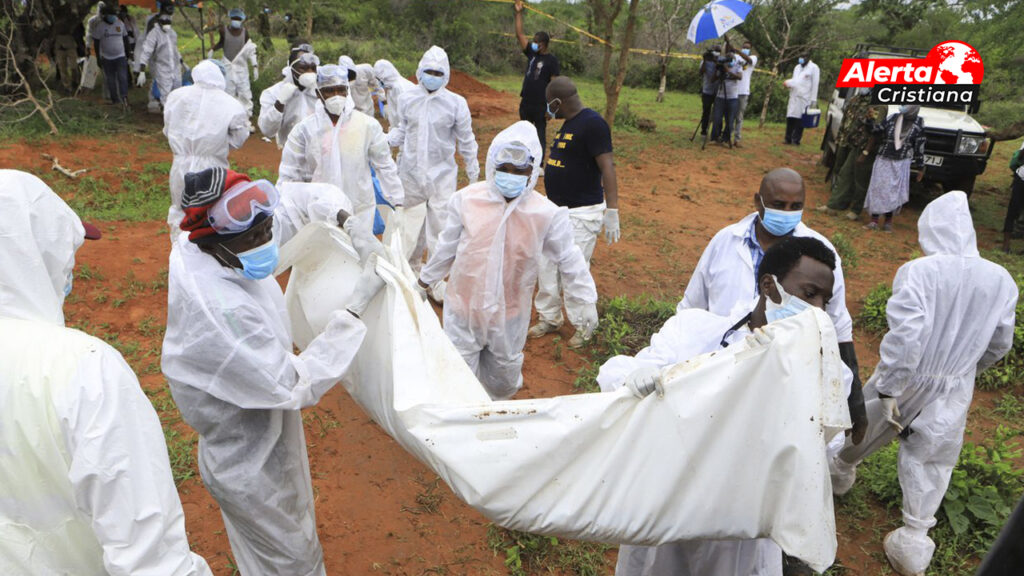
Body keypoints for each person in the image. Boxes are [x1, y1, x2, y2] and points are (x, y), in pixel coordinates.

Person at [162, 167, 388, 576]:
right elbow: (291, 383)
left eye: (267, 228)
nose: (267, 240)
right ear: (214, 242)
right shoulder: (220, 310)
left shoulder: (219, 245)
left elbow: (299, 199)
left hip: (264, 429)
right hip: (248, 458)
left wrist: (349, 223)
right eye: (255, 237)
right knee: (291, 561)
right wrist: (354, 310)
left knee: (269, 554)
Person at [0, 169, 213, 576]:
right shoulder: (82, 367)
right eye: (65, 251)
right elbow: (150, 558)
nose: (71, 268)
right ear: (35, 252)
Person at [599, 236, 852, 576]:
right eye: (809, 294)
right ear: (769, 285)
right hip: (668, 498)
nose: (818, 309)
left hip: (741, 521)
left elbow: (821, 446)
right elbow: (623, 374)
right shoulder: (696, 332)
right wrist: (634, 378)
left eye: (824, 300)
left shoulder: (827, 371)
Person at [830, 191, 1017, 576]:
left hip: (911, 374)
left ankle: (837, 474)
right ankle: (914, 540)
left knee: (865, 425)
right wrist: (966, 370)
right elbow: (1000, 343)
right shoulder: (1001, 279)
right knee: (933, 455)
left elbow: (907, 335)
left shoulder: (920, 272)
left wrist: (890, 386)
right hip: (956, 380)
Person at [680, 168, 868, 444]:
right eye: (779, 205)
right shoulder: (724, 242)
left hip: (787, 379)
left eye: (796, 206)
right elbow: (692, 308)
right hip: (720, 373)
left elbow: (838, 325)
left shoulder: (820, 255)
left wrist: (854, 401)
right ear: (759, 202)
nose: (787, 213)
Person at [417, 121, 598, 400]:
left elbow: (569, 258)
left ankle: (494, 417)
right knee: (457, 378)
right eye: (505, 169)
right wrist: (425, 280)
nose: (511, 176)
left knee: (502, 380)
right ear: (492, 166)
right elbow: (446, 247)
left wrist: (585, 299)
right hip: (464, 307)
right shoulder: (466, 200)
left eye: (520, 170)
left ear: (532, 171)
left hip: (509, 313)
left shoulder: (545, 214)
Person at [530, 76, 619, 349]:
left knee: (573, 271)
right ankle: (550, 317)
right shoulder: (569, 124)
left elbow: (607, 167)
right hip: (557, 211)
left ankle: (584, 325)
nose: (548, 109)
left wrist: (613, 209)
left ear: (558, 102)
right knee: (546, 266)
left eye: (549, 104)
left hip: (582, 213)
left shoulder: (592, 124)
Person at [389, 46, 479, 286]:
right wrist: (385, 142)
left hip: (441, 176)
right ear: (420, 71)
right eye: (429, 71)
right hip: (409, 173)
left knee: (440, 229)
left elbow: (466, 139)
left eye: (438, 73)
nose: (433, 76)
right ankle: (409, 271)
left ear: (446, 75)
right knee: (409, 227)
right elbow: (402, 128)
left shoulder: (456, 104)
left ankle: (436, 281)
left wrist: (473, 173)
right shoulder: (407, 98)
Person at [279, 64, 405, 232]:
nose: (336, 96)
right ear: (319, 93)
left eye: (340, 90)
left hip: (359, 208)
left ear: (347, 90)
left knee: (358, 254)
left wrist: (397, 200)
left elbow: (385, 165)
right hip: (320, 210)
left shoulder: (367, 125)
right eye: (329, 91)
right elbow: (290, 173)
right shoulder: (305, 130)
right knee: (325, 255)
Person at [163, 60, 249, 236]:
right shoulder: (231, 103)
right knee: (213, 214)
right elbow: (238, 139)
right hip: (213, 167)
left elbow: (168, 128)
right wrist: (217, 146)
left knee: (180, 211)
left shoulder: (176, 96)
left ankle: (180, 252)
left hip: (180, 163)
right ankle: (206, 255)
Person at [816, 88, 883, 220]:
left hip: (866, 146)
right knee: (845, 173)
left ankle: (856, 210)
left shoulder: (878, 104)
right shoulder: (856, 99)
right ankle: (834, 205)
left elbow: (875, 131)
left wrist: (866, 151)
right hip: (853, 142)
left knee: (860, 180)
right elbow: (846, 120)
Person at [863, 105, 926, 231]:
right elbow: (876, 131)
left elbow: (919, 147)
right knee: (878, 188)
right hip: (883, 159)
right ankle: (874, 221)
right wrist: (869, 121)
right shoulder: (892, 118)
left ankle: (888, 222)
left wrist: (920, 167)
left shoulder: (919, 124)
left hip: (901, 163)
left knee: (893, 192)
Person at [513, 0, 560, 157]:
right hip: (526, 102)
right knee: (523, 132)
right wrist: (519, 12)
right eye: (532, 41)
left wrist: (551, 109)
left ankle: (538, 164)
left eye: (536, 41)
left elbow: (554, 85)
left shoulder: (552, 60)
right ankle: (523, 160)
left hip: (540, 105)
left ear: (543, 44)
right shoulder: (532, 54)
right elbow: (519, 34)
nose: (533, 44)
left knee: (539, 134)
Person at [258, 44, 321, 149]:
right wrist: (280, 103)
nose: (309, 72)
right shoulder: (273, 92)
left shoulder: (322, 90)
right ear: (291, 68)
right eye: (303, 68)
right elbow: (267, 130)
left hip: (320, 148)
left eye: (313, 68)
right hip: (291, 151)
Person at [209, 8, 259, 123]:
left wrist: (255, 65)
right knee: (228, 93)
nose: (236, 21)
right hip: (228, 65)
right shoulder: (223, 30)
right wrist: (213, 49)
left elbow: (250, 49)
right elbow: (222, 42)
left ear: (242, 20)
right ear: (230, 19)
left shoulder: (245, 32)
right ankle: (228, 119)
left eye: (238, 19)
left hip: (241, 67)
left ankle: (246, 120)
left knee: (245, 94)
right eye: (234, 19)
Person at [135, 10, 181, 111]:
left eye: (168, 23)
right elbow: (146, 51)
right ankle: (167, 117)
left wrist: (181, 61)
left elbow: (175, 49)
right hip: (162, 69)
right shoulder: (154, 34)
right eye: (164, 23)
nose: (166, 25)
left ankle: (177, 115)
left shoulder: (172, 33)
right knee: (166, 94)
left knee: (178, 92)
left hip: (175, 68)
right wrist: (142, 70)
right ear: (159, 23)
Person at [91, 3, 130, 110]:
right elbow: (96, 43)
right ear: (105, 15)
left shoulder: (120, 24)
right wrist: (98, 58)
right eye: (111, 15)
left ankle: (124, 97)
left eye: (114, 14)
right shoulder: (100, 27)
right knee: (111, 80)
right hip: (107, 58)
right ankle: (115, 99)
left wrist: (128, 54)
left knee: (122, 77)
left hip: (120, 56)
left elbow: (125, 39)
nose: (113, 17)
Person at [710, 41, 744, 145]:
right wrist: (718, 69)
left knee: (730, 120)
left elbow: (740, 77)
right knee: (717, 118)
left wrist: (727, 70)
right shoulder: (721, 61)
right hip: (720, 95)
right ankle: (715, 138)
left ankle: (725, 139)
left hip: (732, 96)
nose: (729, 54)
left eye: (731, 52)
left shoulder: (738, 63)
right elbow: (712, 79)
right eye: (727, 52)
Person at [783, 52, 820, 146]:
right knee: (790, 117)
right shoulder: (797, 67)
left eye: (803, 57)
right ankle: (788, 138)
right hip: (794, 95)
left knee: (800, 119)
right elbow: (795, 81)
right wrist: (788, 83)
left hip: (804, 97)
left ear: (808, 58)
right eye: (800, 57)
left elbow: (815, 84)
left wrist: (813, 100)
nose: (801, 59)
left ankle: (796, 140)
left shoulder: (814, 68)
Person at [374, 58, 416, 130]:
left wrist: (396, 134)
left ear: (384, 75)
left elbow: (408, 118)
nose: (378, 82)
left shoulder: (399, 88)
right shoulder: (392, 87)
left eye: (378, 79)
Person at [732, 40, 757, 147]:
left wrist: (737, 51)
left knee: (739, 117)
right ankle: (727, 137)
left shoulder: (753, 58)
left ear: (750, 49)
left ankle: (737, 139)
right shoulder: (737, 57)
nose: (745, 49)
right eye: (744, 47)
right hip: (732, 91)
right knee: (730, 115)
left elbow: (749, 60)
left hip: (743, 92)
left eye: (747, 48)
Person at [1004, 139, 1024, 253]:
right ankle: (1006, 244)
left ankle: (1006, 245)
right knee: (1013, 210)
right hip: (1021, 179)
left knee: (1013, 210)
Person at [697, 48, 719, 138]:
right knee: (706, 111)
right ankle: (704, 131)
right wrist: (705, 60)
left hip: (718, 91)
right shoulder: (705, 62)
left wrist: (716, 62)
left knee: (717, 113)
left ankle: (716, 133)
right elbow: (701, 72)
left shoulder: (719, 61)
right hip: (707, 90)